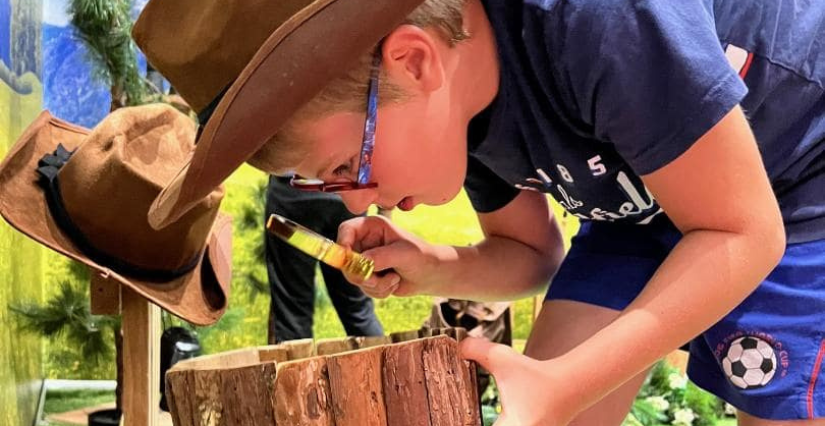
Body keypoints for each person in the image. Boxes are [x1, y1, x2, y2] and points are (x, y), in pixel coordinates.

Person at [133, 0, 825, 424]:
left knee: (773, 407)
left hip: (795, 183)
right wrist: (433, 266)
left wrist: (565, 383)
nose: (354, 199)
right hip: (633, 211)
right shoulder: (464, 110)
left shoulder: (597, 19)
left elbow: (741, 229)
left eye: (347, 167)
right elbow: (535, 256)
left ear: (414, 62)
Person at [264, 175, 384, 344]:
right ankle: (386, 366)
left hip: (293, 195)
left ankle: (293, 368)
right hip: (347, 195)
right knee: (358, 309)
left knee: (293, 311)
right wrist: (384, 213)